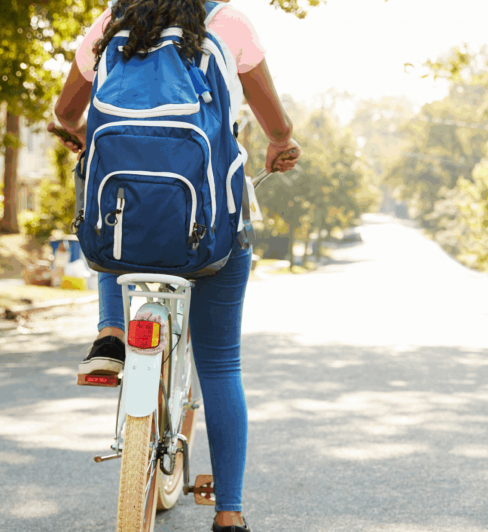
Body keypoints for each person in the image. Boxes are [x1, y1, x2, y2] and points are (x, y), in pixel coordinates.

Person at [48, 1, 300, 530]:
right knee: (221, 365)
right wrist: (281, 142)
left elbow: (66, 112)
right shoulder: (226, 24)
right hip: (213, 231)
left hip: (125, 236)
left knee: (111, 214)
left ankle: (111, 332)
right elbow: (274, 121)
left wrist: (73, 131)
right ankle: (229, 512)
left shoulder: (111, 25)